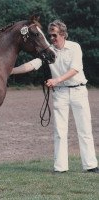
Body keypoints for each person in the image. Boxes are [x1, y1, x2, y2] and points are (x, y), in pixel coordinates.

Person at [11, 20, 98, 173]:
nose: (51, 38)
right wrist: (10, 71)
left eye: (54, 35)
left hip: (79, 91)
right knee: (60, 131)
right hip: (61, 94)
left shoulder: (75, 47)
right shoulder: (48, 50)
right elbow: (32, 65)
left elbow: (75, 69)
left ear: (63, 34)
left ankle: (90, 165)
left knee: (84, 130)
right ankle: (60, 167)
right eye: (50, 35)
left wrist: (56, 80)